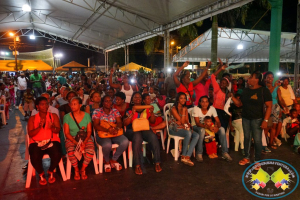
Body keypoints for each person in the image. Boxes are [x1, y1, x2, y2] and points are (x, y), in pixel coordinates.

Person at [231, 71, 272, 170]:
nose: (248, 78)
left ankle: (257, 160)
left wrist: (265, 120)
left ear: (257, 80)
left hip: (257, 119)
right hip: (245, 118)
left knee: (257, 140)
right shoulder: (245, 90)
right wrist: (232, 97)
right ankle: (246, 157)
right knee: (247, 138)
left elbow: (269, 106)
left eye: (251, 77)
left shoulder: (263, 91)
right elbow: (240, 104)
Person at [123, 92, 162, 175]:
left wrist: (151, 113)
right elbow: (125, 123)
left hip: (144, 129)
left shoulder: (146, 108)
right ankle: (137, 164)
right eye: (135, 97)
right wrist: (132, 114)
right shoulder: (129, 109)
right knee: (137, 137)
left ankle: (157, 162)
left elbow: (152, 121)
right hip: (132, 130)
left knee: (153, 136)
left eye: (139, 97)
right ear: (132, 99)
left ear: (142, 99)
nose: (138, 98)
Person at [27, 97, 61, 185]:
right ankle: (41, 174)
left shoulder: (53, 116)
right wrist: (39, 127)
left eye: (46, 104)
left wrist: (52, 127)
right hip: (36, 142)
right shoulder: (32, 118)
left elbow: (58, 130)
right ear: (37, 106)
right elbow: (30, 134)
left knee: (57, 153)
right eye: (42, 104)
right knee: (34, 156)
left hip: (51, 140)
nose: (45, 106)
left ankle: (50, 171)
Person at [92, 95, 129, 172]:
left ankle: (113, 159)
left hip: (114, 133)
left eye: (110, 101)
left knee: (125, 141)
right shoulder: (97, 111)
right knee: (107, 144)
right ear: (102, 102)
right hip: (102, 134)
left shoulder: (115, 111)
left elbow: (119, 122)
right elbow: (96, 125)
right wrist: (108, 130)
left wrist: (116, 129)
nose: (108, 103)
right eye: (106, 101)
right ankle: (107, 160)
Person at [192, 95, 232, 162]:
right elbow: (197, 123)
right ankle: (199, 153)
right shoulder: (196, 108)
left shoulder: (212, 108)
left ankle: (225, 152)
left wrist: (217, 127)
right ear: (200, 103)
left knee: (221, 129)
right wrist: (208, 127)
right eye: (203, 102)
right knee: (202, 131)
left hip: (209, 127)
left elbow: (218, 121)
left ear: (208, 102)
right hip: (197, 127)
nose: (205, 104)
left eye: (206, 102)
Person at [63, 97, 94, 180]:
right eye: (71, 104)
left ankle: (83, 169)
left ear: (80, 105)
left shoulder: (87, 115)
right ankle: (76, 169)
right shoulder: (67, 117)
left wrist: (85, 141)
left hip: (85, 137)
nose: (72, 106)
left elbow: (89, 131)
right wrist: (76, 143)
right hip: (72, 138)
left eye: (75, 104)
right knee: (70, 151)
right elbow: (66, 133)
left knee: (90, 151)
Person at [168, 92, 199, 166]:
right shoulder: (174, 108)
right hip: (173, 129)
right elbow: (182, 121)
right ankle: (183, 155)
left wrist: (184, 113)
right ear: (178, 99)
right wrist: (184, 112)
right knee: (188, 133)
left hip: (182, 128)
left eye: (184, 98)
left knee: (196, 135)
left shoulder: (184, 108)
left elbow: (186, 121)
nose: (183, 100)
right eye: (181, 98)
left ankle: (187, 156)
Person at [263, 72, 282, 149]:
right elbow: (267, 94)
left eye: (271, 77)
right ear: (265, 78)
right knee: (266, 126)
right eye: (268, 77)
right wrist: (275, 86)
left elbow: (280, 99)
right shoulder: (264, 87)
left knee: (274, 125)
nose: (270, 79)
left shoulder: (277, 88)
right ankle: (263, 144)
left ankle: (271, 143)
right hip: (267, 107)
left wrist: (282, 108)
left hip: (276, 107)